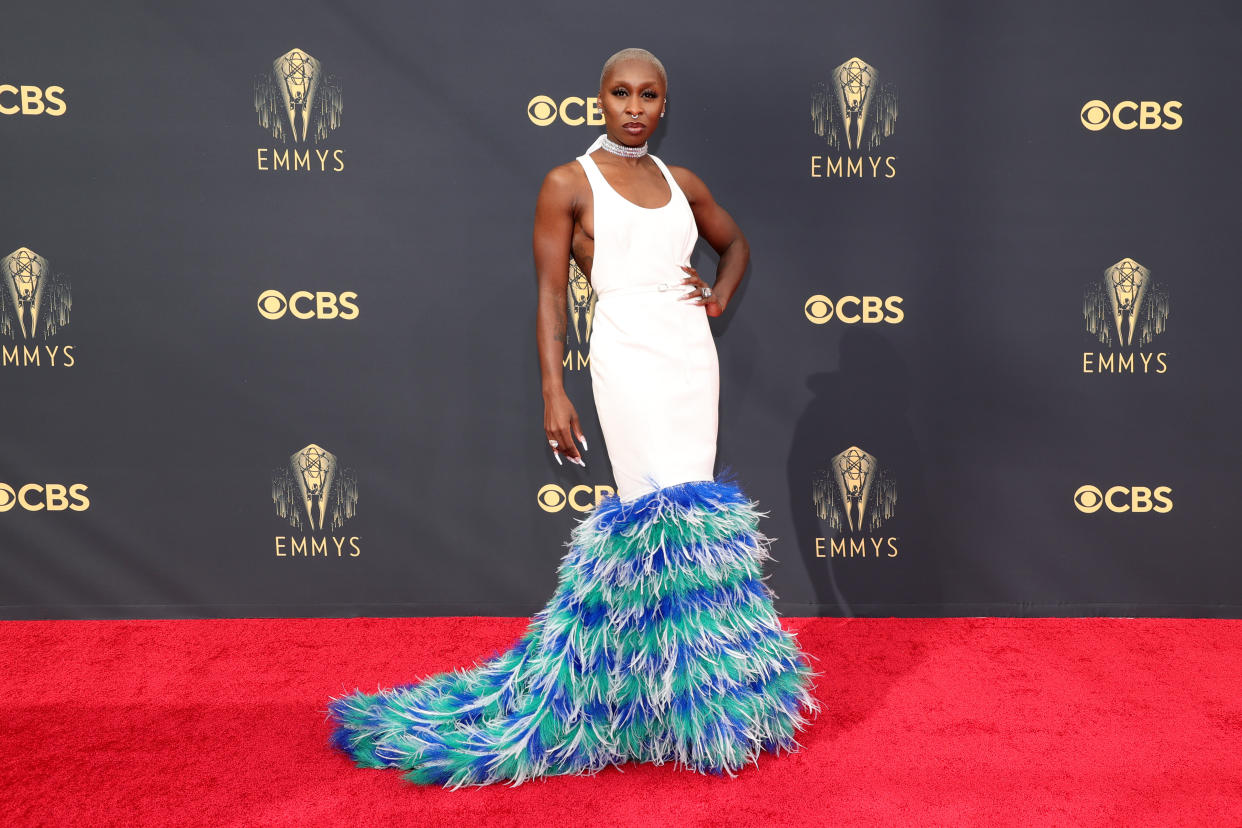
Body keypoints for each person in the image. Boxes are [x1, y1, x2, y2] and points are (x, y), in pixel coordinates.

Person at [325, 48, 821, 788]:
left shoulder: (682, 184)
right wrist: (555, 389)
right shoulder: (569, 182)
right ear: (598, 100)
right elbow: (552, 295)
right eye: (620, 92)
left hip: (691, 358)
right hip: (624, 353)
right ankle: (632, 692)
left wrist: (716, 297)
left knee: (693, 524)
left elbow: (735, 243)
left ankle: (677, 698)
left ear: (663, 105)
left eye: (648, 95)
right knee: (654, 514)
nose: (633, 106)